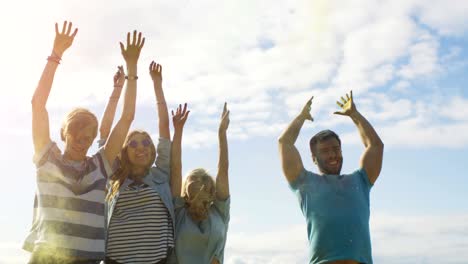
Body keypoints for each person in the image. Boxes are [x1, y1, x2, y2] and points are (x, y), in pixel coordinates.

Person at [24, 21, 144, 264]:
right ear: (65, 131)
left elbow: (127, 117)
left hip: (86, 259)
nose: (83, 139)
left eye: (89, 135)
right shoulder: (48, 158)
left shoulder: (100, 165)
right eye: (77, 132)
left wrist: (132, 67)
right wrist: (55, 54)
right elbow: (38, 105)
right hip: (46, 256)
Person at [278, 91, 384, 264]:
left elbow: (376, 146)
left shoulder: (360, 181)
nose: (333, 155)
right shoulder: (305, 184)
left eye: (336, 149)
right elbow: (285, 143)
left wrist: (355, 115)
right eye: (325, 151)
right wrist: (301, 117)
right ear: (314, 158)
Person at [105, 61, 177, 264]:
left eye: (146, 143)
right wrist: (117, 90)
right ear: (124, 151)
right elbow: (106, 134)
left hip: (157, 260)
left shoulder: (160, 176)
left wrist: (157, 85)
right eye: (133, 144)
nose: (141, 147)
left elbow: (164, 127)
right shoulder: (115, 175)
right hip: (116, 259)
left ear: (152, 150)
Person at [171, 103, 230, 264]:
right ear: (187, 194)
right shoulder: (178, 211)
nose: (200, 202)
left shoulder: (219, 211)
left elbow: (223, 171)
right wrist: (178, 131)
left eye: (204, 198)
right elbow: (176, 169)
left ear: (211, 194)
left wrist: (222, 134)